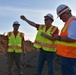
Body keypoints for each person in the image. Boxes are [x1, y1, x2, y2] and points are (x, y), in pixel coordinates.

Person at [41, 4, 76, 75]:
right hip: (67, 55)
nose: (60, 18)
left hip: (69, 55)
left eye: (60, 16)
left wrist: (58, 37)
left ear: (65, 13)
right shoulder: (69, 22)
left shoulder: (72, 22)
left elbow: (72, 38)